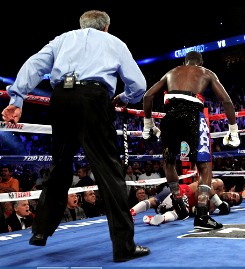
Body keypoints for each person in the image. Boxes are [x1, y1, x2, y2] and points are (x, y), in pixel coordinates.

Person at [1, 10, 150, 262]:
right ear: (106, 28)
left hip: (61, 99)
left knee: (59, 165)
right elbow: (138, 84)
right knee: (109, 171)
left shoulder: (62, 39)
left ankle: (40, 231)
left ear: (80, 25)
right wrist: (124, 98)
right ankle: (124, 247)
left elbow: (34, 65)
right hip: (94, 98)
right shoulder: (114, 42)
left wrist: (17, 99)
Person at [142, 50, 240, 230]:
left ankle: (178, 203)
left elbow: (148, 96)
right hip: (193, 116)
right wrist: (233, 129)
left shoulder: (171, 72)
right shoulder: (205, 72)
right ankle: (202, 216)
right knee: (204, 166)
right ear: (200, 62)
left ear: (185, 62)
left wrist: (148, 124)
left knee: (169, 161)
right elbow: (226, 100)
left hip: (169, 117)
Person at [131, 179, 242, 226]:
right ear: (232, 190)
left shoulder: (212, 208)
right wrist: (219, 202)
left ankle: (160, 218)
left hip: (186, 203)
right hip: (184, 190)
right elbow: (204, 184)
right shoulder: (219, 184)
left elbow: (196, 211)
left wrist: (223, 207)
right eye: (233, 195)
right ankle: (131, 212)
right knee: (154, 201)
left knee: (180, 212)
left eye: (233, 201)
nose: (230, 197)